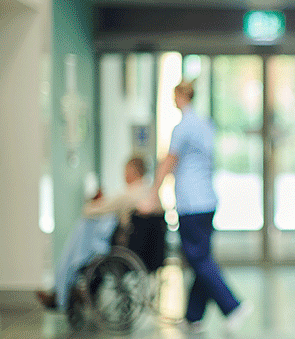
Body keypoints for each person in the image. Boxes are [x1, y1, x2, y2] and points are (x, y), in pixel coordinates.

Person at [151, 80, 252, 333]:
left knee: (199, 259)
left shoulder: (182, 127)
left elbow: (168, 163)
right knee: (200, 258)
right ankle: (193, 317)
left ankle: (233, 306)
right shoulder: (206, 124)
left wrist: (153, 193)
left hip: (191, 205)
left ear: (181, 96)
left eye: (175, 96)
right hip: (207, 201)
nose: (173, 101)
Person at [36, 157, 161, 310]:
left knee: (83, 229)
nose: (124, 176)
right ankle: (65, 290)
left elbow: (89, 210)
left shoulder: (131, 194)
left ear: (133, 172)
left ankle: (61, 292)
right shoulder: (150, 192)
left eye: (125, 171)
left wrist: (94, 202)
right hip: (148, 253)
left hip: (125, 249)